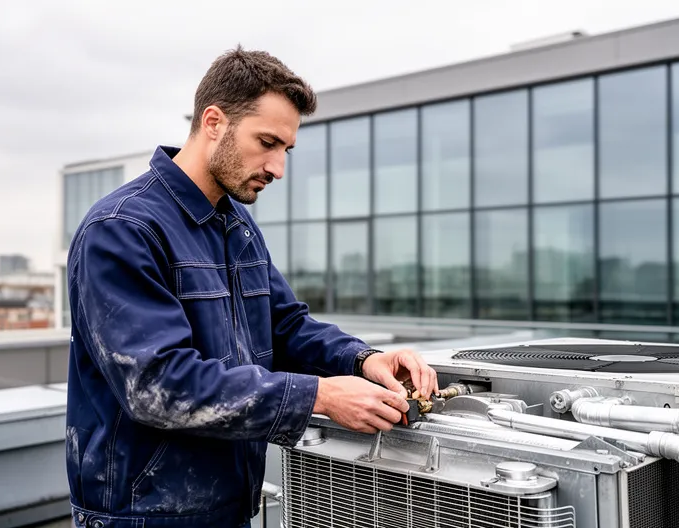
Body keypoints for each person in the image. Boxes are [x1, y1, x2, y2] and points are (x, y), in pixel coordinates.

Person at [64, 45, 440, 528]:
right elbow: (158, 385)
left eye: (285, 149)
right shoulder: (122, 229)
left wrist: (363, 360)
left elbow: (285, 326)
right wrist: (320, 397)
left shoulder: (235, 224)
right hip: (142, 517)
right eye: (266, 142)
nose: (278, 168)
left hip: (228, 508)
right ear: (214, 122)